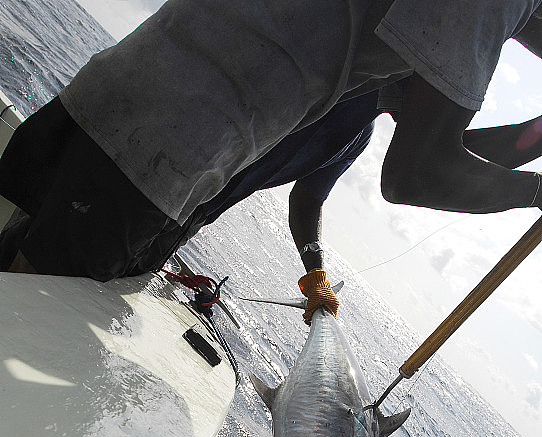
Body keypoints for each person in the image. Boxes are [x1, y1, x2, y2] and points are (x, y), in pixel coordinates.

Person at [1, 0, 542, 324]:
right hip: (167, 147)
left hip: (120, 91)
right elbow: (417, 174)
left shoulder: (401, 57)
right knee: (30, 318)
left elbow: (451, 143)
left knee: (18, 263)